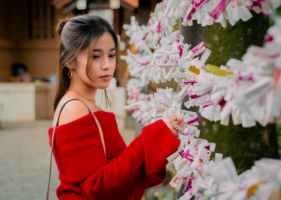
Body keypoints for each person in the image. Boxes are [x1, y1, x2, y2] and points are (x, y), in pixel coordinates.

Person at [48, 14, 184, 200]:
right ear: (69, 61)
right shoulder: (74, 107)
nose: (107, 65)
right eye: (96, 56)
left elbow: (117, 171)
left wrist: (161, 136)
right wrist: (151, 138)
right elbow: (100, 185)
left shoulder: (86, 104)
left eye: (111, 55)